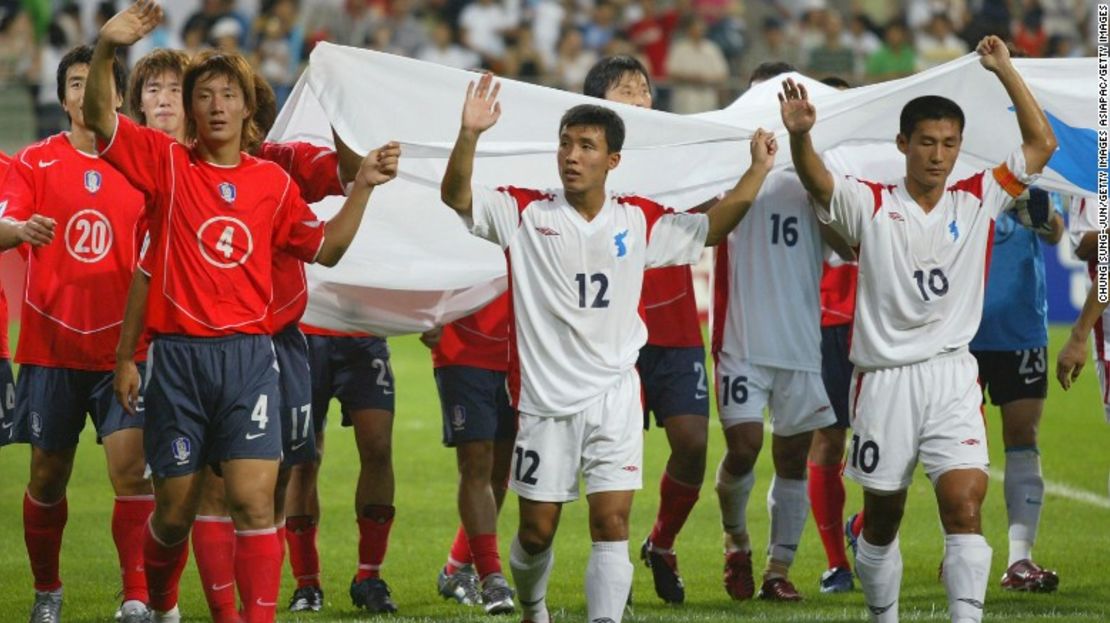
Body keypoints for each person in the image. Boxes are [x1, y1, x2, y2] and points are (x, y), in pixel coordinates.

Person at [84, 3, 398, 621]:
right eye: (206, 97)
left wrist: (361, 187)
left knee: (256, 502)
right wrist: (105, 48)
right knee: (172, 513)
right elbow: (100, 117)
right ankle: (162, 600)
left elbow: (327, 247)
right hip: (178, 361)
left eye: (229, 95)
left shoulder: (274, 183)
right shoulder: (168, 167)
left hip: (252, 359)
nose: (218, 106)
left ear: (248, 108)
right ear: (193, 111)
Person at [441, 71, 777, 623]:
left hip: (615, 395)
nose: (572, 156)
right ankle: (533, 607)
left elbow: (711, 228)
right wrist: (470, 134)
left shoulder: (637, 218)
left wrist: (757, 170)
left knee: (612, 524)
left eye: (587, 147)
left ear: (612, 161)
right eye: (566, 145)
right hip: (546, 403)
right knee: (536, 529)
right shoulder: (526, 212)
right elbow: (455, 196)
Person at [779, 34, 1057, 622]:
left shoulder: (978, 196)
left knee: (964, 504)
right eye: (927, 143)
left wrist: (1005, 70)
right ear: (902, 144)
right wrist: (801, 136)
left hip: (952, 377)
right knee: (883, 517)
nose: (938, 155)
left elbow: (1042, 143)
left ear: (961, 148)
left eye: (950, 144)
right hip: (884, 381)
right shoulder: (872, 203)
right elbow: (818, 183)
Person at [0, 44, 155, 623]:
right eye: (74, 83)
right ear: (63, 98)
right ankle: (47, 592)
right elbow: (1, 224)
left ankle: (136, 595)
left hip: (125, 352)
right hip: (52, 349)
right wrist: (18, 229)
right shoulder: (34, 163)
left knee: (131, 472)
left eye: (97, 83)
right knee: (46, 476)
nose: (84, 93)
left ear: (117, 96)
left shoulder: (144, 164)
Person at [711, 62, 840, 603]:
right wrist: (754, 169)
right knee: (744, 447)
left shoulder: (817, 171)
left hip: (799, 345)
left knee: (791, 458)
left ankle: (777, 569)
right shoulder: (726, 170)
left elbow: (847, 242)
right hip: (741, 340)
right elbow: (703, 225)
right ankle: (736, 541)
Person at [582, 54, 708, 605]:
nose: (639, 97)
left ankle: (662, 542)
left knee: (693, 443)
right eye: (625, 90)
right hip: (609, 331)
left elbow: (712, 209)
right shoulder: (582, 165)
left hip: (675, 321)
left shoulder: (683, 156)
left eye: (644, 89)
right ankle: (614, 563)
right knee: (611, 456)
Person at [968, 186, 1063, 592]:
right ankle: (963, 549)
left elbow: (1056, 231)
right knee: (957, 445)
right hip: (960, 328)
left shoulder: (1033, 170)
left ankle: (1019, 560)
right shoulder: (960, 160)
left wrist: (1042, 216)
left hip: (1020, 326)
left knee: (1023, 436)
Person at [425, 293, 517, 615]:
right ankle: (492, 577)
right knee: (477, 460)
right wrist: (428, 314)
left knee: (502, 470)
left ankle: (455, 568)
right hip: (461, 347)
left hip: (520, 346)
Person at [806, 74, 859, 595]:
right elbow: (839, 241)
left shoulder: (876, 159)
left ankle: (863, 529)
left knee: (899, 441)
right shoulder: (804, 164)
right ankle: (835, 561)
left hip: (879, 321)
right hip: (825, 319)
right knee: (830, 438)